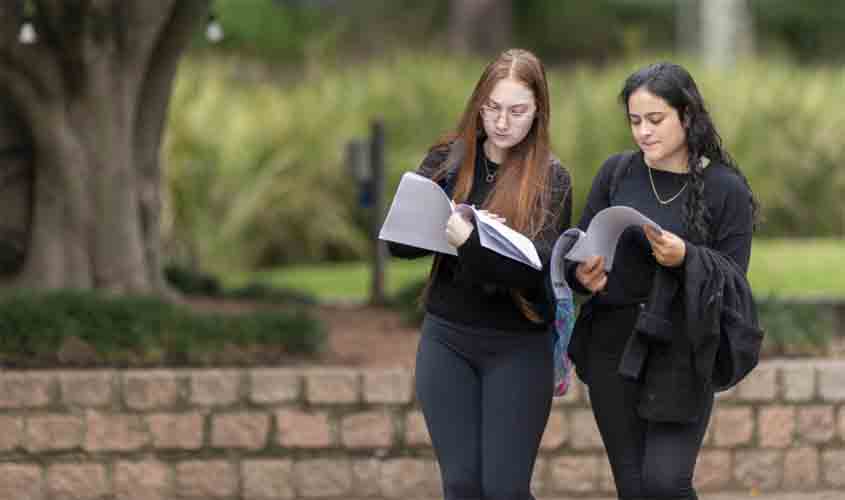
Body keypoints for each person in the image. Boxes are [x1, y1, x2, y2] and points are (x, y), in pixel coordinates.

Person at [566, 62, 759, 500]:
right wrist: (581, 275)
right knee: (634, 489)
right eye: (635, 121)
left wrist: (687, 257)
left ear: (686, 117)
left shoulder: (725, 188)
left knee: (665, 483)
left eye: (655, 120)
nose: (643, 132)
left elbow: (734, 283)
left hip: (684, 352)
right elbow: (578, 249)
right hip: (612, 348)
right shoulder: (616, 173)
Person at [387, 48, 572, 500]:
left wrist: (468, 242)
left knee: (504, 489)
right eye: (492, 108)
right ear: (479, 104)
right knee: (463, 485)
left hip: (518, 345)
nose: (502, 122)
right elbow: (398, 244)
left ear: (538, 112)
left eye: (517, 111)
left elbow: (535, 271)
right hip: (448, 338)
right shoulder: (447, 160)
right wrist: (436, 222)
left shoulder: (552, 178)